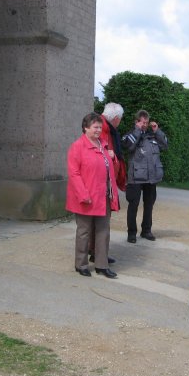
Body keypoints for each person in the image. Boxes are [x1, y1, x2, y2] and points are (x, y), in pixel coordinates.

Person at [66, 112, 120, 279]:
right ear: (86, 128)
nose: (98, 130)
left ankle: (101, 265)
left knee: (103, 231)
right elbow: (74, 173)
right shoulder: (77, 146)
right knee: (84, 232)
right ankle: (81, 264)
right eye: (95, 127)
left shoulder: (102, 144)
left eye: (99, 127)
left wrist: (114, 158)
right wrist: (83, 194)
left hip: (103, 196)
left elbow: (110, 169)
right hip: (86, 197)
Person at [122, 109, 168, 243]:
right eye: (143, 122)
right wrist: (137, 130)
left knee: (149, 205)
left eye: (147, 122)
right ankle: (131, 233)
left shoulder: (152, 136)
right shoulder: (130, 135)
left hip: (151, 178)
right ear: (136, 122)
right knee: (133, 205)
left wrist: (157, 131)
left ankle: (146, 230)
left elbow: (165, 145)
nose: (145, 125)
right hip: (135, 177)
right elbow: (128, 146)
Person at [88, 102, 125, 265]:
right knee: (101, 223)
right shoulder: (104, 130)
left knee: (98, 223)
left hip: (100, 183)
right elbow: (102, 158)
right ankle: (98, 255)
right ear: (116, 118)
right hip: (102, 184)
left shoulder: (105, 128)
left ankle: (95, 253)